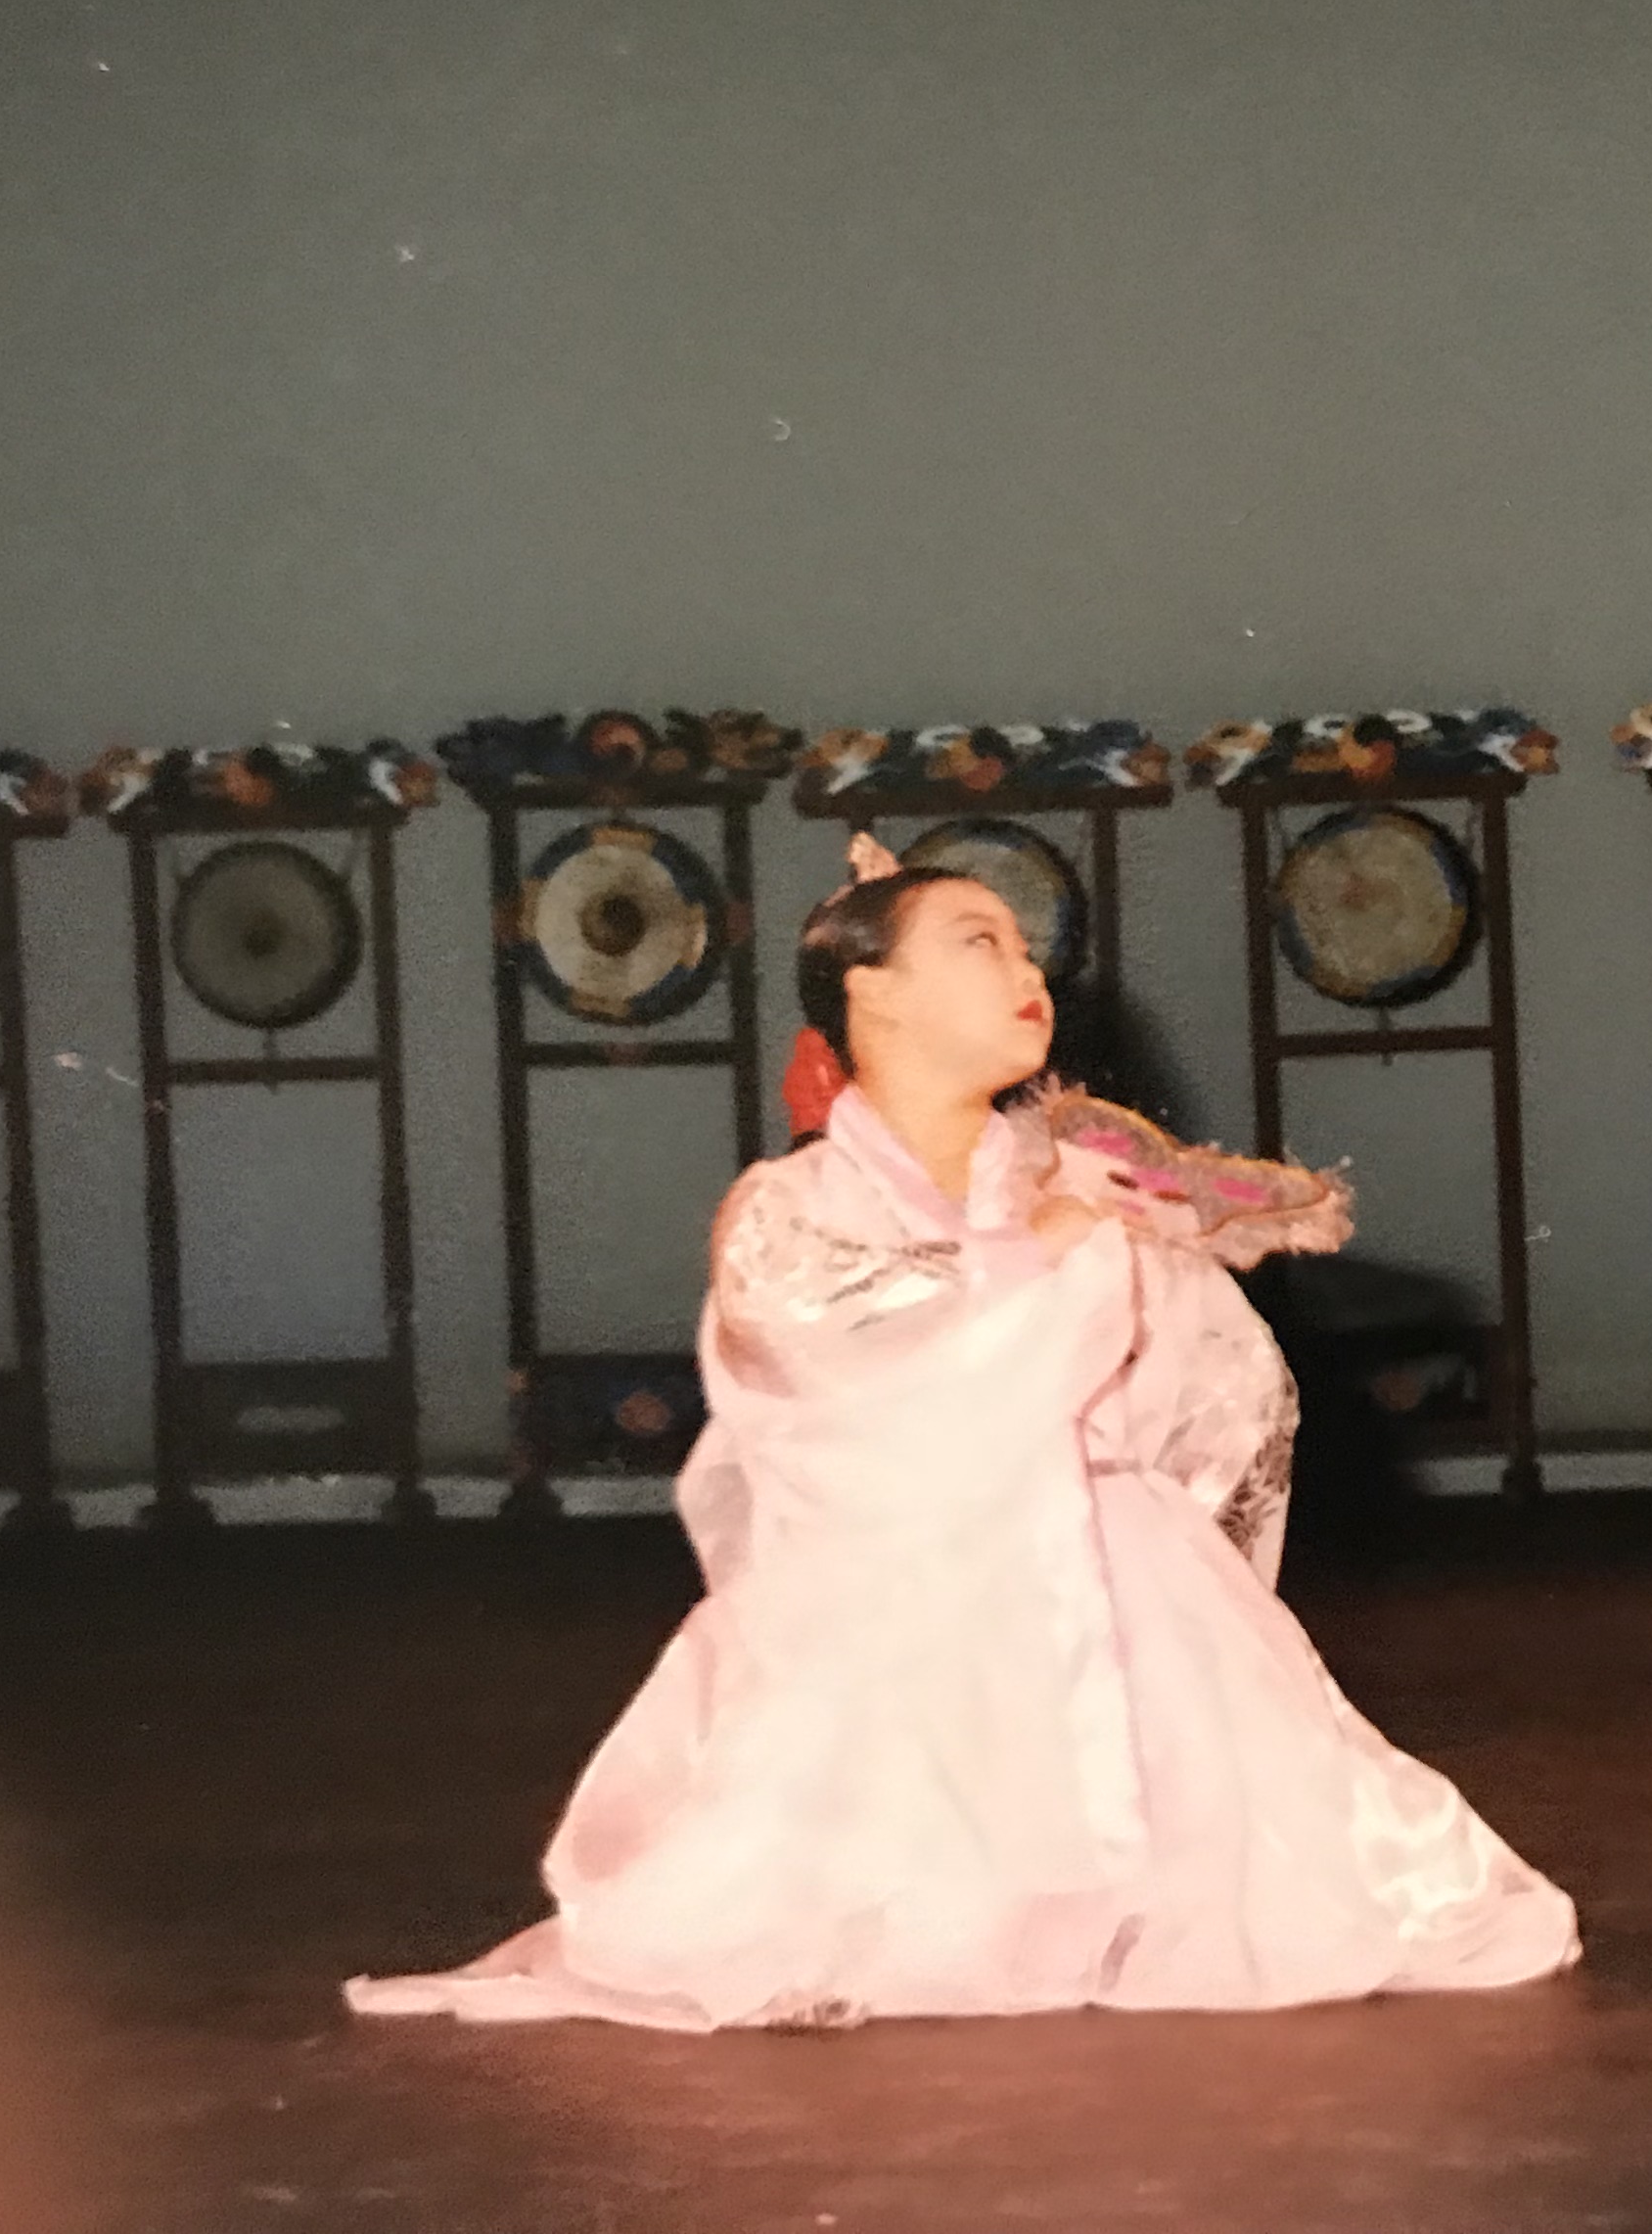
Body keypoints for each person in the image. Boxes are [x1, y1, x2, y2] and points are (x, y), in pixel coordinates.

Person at [347, 838, 1577, 2028]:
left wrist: (1120, 1274)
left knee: (1376, 1899)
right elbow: (841, 1391)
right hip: (893, 1596)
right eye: (977, 941)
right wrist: (1046, 1253)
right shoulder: (790, 1209)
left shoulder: (1083, 1187)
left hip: (1115, 1587)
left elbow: (1218, 1392)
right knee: (778, 1909)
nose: (1026, 970)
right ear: (870, 990)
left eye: (1025, 948)